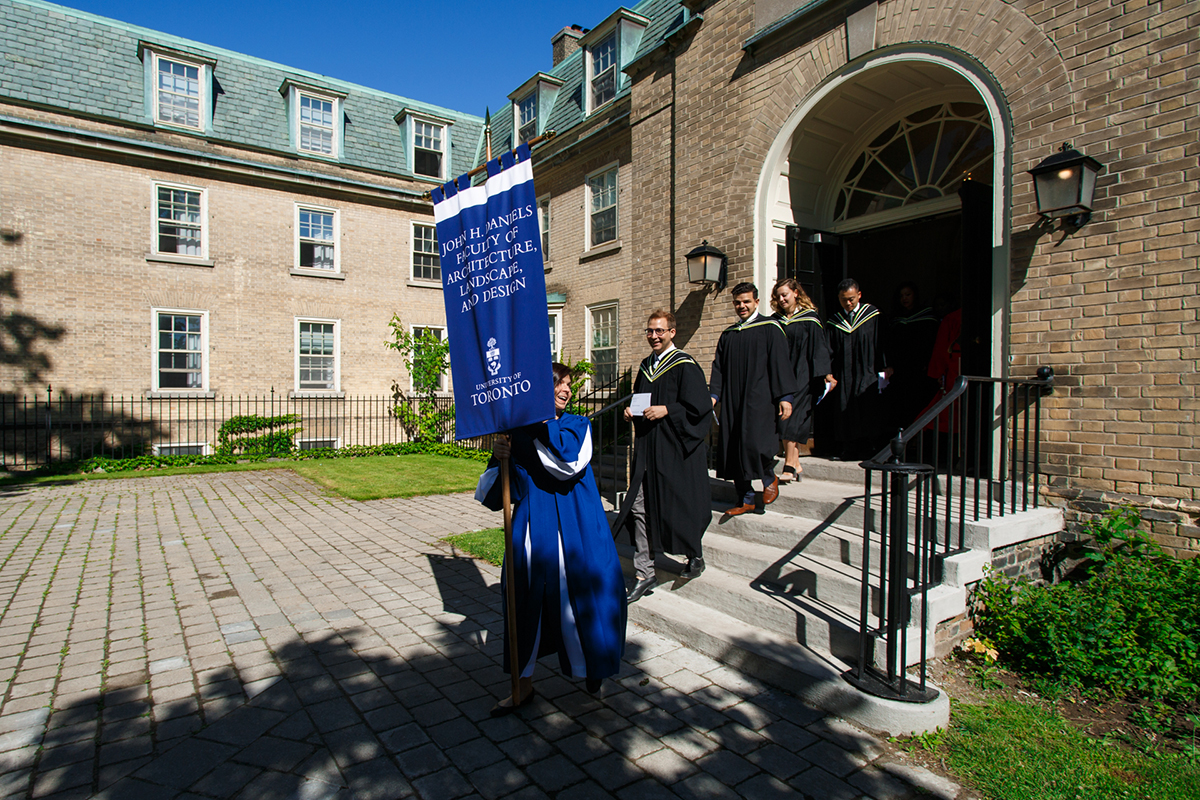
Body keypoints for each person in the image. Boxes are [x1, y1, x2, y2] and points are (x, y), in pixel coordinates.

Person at [476, 362, 627, 715]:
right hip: (534, 530)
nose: (567, 390)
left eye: (569, 385)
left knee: (591, 598)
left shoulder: (578, 425)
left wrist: (535, 427)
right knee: (523, 602)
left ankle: (594, 668)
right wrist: (500, 459)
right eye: (559, 384)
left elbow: (566, 465)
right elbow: (491, 494)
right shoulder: (517, 433)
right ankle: (522, 687)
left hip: (580, 531)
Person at [613, 310, 713, 603]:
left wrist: (668, 409)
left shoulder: (685, 365)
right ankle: (645, 571)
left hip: (675, 449)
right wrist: (631, 411)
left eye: (659, 331)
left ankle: (694, 554)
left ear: (672, 332)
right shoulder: (646, 366)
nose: (654, 336)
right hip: (648, 449)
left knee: (681, 504)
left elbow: (700, 407)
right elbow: (639, 400)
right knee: (640, 507)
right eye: (649, 331)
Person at [710, 282, 798, 516]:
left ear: (756, 302)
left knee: (756, 442)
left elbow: (780, 363)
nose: (742, 306)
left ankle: (769, 478)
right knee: (734, 445)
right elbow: (718, 368)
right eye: (738, 302)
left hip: (760, 398)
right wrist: (714, 396)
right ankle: (746, 497)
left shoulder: (771, 328)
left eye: (747, 302)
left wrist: (785, 397)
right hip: (732, 400)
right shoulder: (728, 334)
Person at [770, 279, 834, 483]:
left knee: (791, 419)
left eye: (785, 295)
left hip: (803, 375)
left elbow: (819, 348)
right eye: (778, 296)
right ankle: (796, 463)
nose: (781, 299)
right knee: (785, 418)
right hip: (782, 376)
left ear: (796, 293)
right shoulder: (775, 321)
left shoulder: (810, 319)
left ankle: (789, 466)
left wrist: (826, 374)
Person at [824, 278, 887, 460]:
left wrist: (886, 365)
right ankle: (848, 448)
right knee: (845, 407)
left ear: (859, 295)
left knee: (868, 406)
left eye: (851, 298)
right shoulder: (835, 321)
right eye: (844, 299)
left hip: (868, 370)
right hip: (844, 373)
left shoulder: (874, 315)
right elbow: (828, 349)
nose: (848, 303)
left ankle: (871, 446)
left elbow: (883, 342)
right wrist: (827, 371)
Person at [882, 282, 940, 433]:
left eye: (908, 294)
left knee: (919, 403)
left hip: (920, 369)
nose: (904, 299)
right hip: (901, 369)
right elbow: (890, 343)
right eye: (901, 296)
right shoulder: (896, 318)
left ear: (915, 295)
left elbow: (932, 343)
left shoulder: (927, 316)